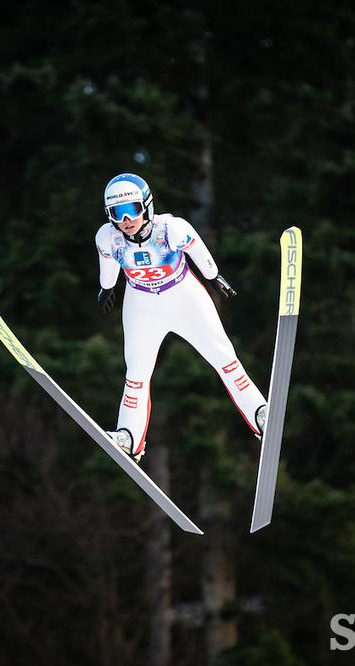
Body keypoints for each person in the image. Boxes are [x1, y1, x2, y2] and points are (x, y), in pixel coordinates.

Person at [95, 172, 267, 462]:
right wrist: (106, 288)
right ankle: (130, 437)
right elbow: (108, 267)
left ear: (147, 206)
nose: (126, 219)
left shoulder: (170, 229)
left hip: (183, 297)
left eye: (132, 210)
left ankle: (260, 414)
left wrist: (215, 277)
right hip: (142, 305)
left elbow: (199, 251)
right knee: (136, 373)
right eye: (117, 213)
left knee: (224, 358)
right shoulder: (107, 237)